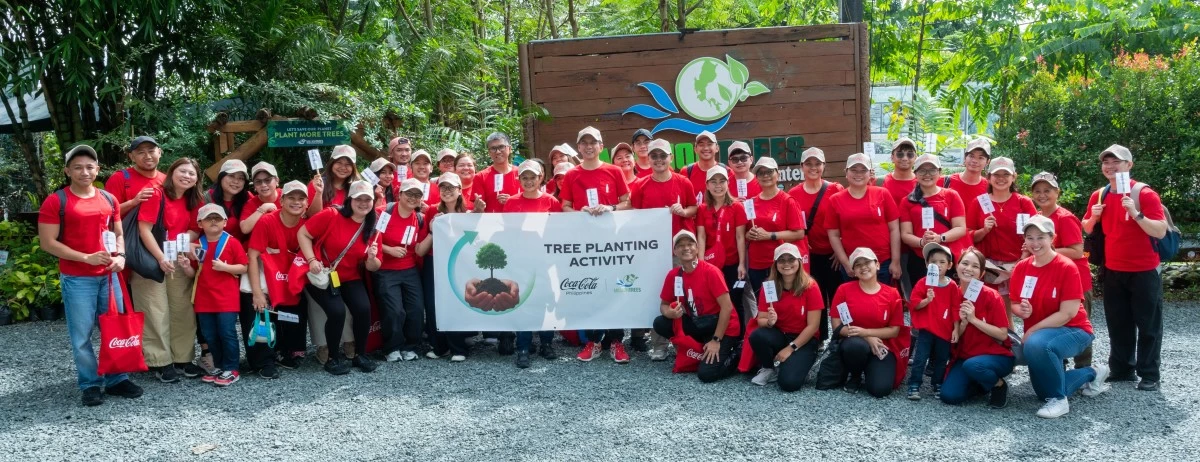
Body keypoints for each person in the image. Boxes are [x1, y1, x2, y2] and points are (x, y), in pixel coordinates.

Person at [39, 144, 143, 406]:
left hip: (109, 276)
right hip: (77, 278)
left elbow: (119, 234)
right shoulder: (57, 201)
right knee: (82, 334)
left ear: (97, 169)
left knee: (114, 328)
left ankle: (117, 378)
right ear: (67, 171)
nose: (84, 172)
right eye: (77, 167)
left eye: (89, 166)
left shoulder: (108, 199)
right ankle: (90, 383)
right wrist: (85, 257)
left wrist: (120, 256)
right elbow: (48, 242)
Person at [1082, 144, 1169, 391]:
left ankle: (1150, 374)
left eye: (1116, 162)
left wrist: (1136, 213)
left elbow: (1160, 231)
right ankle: (1122, 369)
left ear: (1129, 165)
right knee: (1118, 322)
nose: (1110, 167)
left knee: (1149, 324)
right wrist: (1095, 217)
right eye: (1106, 163)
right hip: (1112, 269)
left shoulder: (1144, 193)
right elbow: (1087, 228)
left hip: (1144, 270)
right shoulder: (1099, 194)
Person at [1010, 215, 1109, 418]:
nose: (1035, 243)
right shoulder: (1022, 267)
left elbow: (1068, 313)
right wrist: (1022, 311)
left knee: (1037, 344)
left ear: (1052, 238)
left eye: (1040, 237)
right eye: (1030, 237)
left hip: (1074, 329)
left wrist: (1032, 329)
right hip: (1039, 334)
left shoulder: (1066, 267)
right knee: (1041, 393)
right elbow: (1014, 303)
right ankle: (1093, 372)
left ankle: (1059, 400)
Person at [560, 126, 632, 363]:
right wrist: (578, 212)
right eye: (584, 143)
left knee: (614, 290)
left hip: (611, 245)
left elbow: (626, 203)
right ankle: (593, 340)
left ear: (601, 146)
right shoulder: (572, 175)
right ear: (579, 147)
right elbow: (565, 206)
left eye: (594, 142)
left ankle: (616, 341)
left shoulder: (614, 171)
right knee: (589, 290)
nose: (589, 146)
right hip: (584, 246)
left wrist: (610, 208)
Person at [132, 157, 205, 383]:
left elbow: (195, 229)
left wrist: (180, 246)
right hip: (150, 258)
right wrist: (161, 256)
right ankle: (160, 361)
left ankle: (182, 358)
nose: (187, 176)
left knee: (182, 308)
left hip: (178, 258)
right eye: (182, 171)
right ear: (172, 172)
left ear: (196, 180)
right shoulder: (156, 194)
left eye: (191, 174)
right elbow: (144, 229)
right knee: (155, 309)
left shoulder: (195, 201)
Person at [298, 180, 380, 375]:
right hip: (322, 274)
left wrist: (372, 258)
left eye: (367, 199)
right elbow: (303, 233)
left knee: (363, 308)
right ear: (349, 199)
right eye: (358, 198)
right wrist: (311, 260)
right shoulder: (331, 215)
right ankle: (333, 357)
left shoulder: (373, 227)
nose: (363, 203)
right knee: (336, 311)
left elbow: (374, 266)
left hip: (350, 276)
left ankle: (360, 354)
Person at [653, 230, 741, 382]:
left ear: (698, 247)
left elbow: (727, 308)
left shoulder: (711, 272)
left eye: (690, 244)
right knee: (660, 322)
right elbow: (664, 305)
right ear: (675, 251)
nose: (686, 248)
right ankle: (696, 349)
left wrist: (716, 340)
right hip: (698, 322)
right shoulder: (674, 275)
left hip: (722, 326)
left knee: (706, 374)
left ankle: (738, 353)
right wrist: (670, 313)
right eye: (680, 245)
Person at [502, 160, 563, 367]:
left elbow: (558, 233)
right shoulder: (511, 202)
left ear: (540, 178)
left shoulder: (551, 202)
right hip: (520, 263)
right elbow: (507, 233)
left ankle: (547, 343)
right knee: (523, 303)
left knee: (546, 302)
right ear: (519, 179)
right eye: (524, 177)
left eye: (533, 177)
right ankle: (524, 346)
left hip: (545, 262)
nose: (529, 181)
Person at [1031, 171, 1094, 369]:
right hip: (1051, 281)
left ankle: (1085, 369)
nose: (1042, 195)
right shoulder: (1037, 218)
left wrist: (1045, 250)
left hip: (1076, 281)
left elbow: (1077, 251)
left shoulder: (1065, 218)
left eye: (1047, 190)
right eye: (1038, 191)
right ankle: (1058, 364)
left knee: (1077, 324)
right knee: (1055, 322)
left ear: (1057, 192)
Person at [180, 203, 247, 387]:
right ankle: (218, 366)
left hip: (226, 298)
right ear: (200, 223)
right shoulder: (197, 245)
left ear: (225, 222)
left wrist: (226, 268)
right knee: (209, 334)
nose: (213, 221)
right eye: (208, 219)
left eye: (217, 218)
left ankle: (232, 368)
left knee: (227, 332)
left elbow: (244, 267)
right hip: (204, 298)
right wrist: (186, 266)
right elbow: (194, 274)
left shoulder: (232, 242)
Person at [940, 247, 1014, 408]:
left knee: (973, 366)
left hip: (995, 356)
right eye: (965, 263)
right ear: (956, 266)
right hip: (965, 356)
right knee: (949, 396)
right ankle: (982, 385)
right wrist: (964, 324)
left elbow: (1002, 335)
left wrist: (974, 320)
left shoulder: (991, 296)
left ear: (981, 274)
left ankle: (998, 385)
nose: (968, 269)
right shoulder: (951, 294)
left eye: (975, 266)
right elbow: (952, 337)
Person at [248, 181, 311, 370]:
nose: (296, 202)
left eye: (301, 199)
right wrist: (257, 293)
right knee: (270, 310)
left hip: (292, 277)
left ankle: (294, 349)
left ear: (307, 203)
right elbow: (252, 256)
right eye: (291, 197)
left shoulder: (306, 225)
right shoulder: (267, 221)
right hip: (268, 276)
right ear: (281, 200)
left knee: (297, 307)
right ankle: (272, 352)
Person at [785, 147, 844, 341]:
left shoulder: (835, 190)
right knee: (814, 297)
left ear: (824, 166)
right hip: (808, 257)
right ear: (801, 167)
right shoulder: (793, 193)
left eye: (817, 164)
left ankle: (840, 336)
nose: (813, 168)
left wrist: (840, 249)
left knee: (837, 296)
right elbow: (791, 224)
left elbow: (846, 220)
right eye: (808, 164)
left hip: (833, 255)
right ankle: (819, 337)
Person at [829, 247, 905, 398]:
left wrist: (867, 333)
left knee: (880, 390)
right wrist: (865, 337)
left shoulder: (892, 293)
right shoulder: (844, 290)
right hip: (854, 343)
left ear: (877, 265)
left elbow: (894, 330)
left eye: (867, 262)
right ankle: (855, 375)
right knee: (855, 346)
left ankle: (870, 369)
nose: (863, 267)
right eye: (858, 265)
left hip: (882, 345)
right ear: (853, 271)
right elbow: (837, 325)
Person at [748, 243, 823, 391]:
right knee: (758, 335)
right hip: (780, 334)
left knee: (789, 384)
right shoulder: (769, 286)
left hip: (804, 339)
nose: (786, 264)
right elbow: (760, 319)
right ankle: (769, 368)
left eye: (791, 259)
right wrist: (769, 322)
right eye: (781, 260)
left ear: (799, 262)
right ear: (775, 264)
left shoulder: (810, 287)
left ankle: (803, 362)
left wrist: (790, 348)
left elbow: (813, 326)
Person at [373, 178, 429, 363]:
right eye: (409, 194)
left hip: (410, 269)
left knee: (415, 309)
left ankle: (411, 345)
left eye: (417, 195)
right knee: (394, 310)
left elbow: (419, 246)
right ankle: (392, 347)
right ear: (400, 194)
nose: (413, 198)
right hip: (386, 269)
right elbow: (371, 241)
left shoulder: (419, 218)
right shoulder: (384, 213)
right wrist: (389, 250)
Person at [695, 166, 748, 360]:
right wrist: (700, 263)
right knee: (713, 302)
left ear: (728, 183)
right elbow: (700, 237)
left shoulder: (737, 207)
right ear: (707, 185)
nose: (718, 186)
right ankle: (716, 336)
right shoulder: (702, 208)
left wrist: (742, 264)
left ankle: (738, 339)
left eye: (722, 181)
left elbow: (740, 237)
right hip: (710, 265)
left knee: (735, 300)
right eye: (714, 182)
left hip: (732, 262)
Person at [826, 153, 902, 284]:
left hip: (882, 262)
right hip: (854, 263)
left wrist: (895, 261)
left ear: (870, 173)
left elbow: (894, 229)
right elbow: (833, 235)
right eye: (854, 170)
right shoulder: (835, 200)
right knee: (856, 302)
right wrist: (845, 263)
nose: (858, 174)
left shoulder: (882, 193)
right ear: (846, 172)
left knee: (883, 302)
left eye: (863, 170)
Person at [966, 156, 1037, 295]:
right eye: (996, 175)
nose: (1001, 178)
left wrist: (1022, 259)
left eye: (1006, 174)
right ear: (988, 177)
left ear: (1014, 177)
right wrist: (983, 230)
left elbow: (1037, 234)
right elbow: (968, 235)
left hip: (1018, 264)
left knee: (1018, 307)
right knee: (988, 308)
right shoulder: (979, 202)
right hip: (988, 267)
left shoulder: (1023, 202)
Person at [422, 172, 473, 362]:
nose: (447, 191)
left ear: (460, 190)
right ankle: (439, 346)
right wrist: (434, 229)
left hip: (458, 262)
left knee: (457, 301)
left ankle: (458, 347)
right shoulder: (431, 211)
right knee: (433, 303)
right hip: (433, 261)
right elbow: (422, 245)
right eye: (443, 187)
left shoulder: (468, 213)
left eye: (451, 187)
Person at [899, 154, 968, 284]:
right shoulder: (908, 201)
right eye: (922, 170)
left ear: (939, 172)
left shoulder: (951, 195)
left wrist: (940, 238)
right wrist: (922, 242)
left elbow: (960, 228)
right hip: (920, 259)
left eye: (932, 170)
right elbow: (905, 234)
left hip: (946, 258)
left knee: (947, 296)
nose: (927, 174)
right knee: (923, 297)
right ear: (915, 173)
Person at [744, 156, 805, 294]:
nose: (765, 176)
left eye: (769, 172)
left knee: (781, 305)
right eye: (761, 173)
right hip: (757, 264)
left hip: (781, 264)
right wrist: (749, 234)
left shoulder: (788, 201)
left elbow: (799, 233)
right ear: (756, 177)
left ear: (777, 174)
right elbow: (745, 232)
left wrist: (769, 235)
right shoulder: (750, 203)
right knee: (763, 306)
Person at [906, 243, 959, 400]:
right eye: (933, 262)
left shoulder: (953, 286)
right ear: (927, 264)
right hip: (926, 329)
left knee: (942, 359)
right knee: (920, 358)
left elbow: (956, 308)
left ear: (949, 265)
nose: (937, 265)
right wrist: (927, 300)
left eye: (942, 262)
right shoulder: (923, 282)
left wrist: (956, 328)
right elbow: (914, 303)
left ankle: (937, 383)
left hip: (944, 330)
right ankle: (914, 384)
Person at [631, 138, 697, 236]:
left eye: (663, 156)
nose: (659, 160)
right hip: (653, 241)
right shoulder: (639, 185)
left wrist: (684, 212)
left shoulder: (684, 182)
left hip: (681, 243)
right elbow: (635, 215)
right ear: (648, 159)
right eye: (654, 156)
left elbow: (694, 207)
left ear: (671, 158)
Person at [105, 136, 166, 215]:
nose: (148, 156)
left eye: (151, 151)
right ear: (132, 157)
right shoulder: (119, 178)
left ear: (159, 153)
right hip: (127, 227)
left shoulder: (166, 180)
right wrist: (133, 202)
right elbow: (106, 212)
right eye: (141, 152)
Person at [307, 145, 361, 215]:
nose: (343, 167)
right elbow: (312, 216)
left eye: (348, 164)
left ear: (353, 168)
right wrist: (319, 193)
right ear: (332, 163)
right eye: (339, 162)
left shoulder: (356, 189)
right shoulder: (317, 184)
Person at [679, 131, 733, 197]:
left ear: (717, 148)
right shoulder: (686, 172)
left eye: (709, 144)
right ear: (695, 149)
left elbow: (732, 200)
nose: (706, 148)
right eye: (701, 145)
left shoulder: (727, 171)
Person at [239, 162, 281, 236]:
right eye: (258, 182)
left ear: (277, 180)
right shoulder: (251, 203)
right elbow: (244, 229)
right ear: (254, 185)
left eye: (267, 180)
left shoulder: (287, 194)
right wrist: (263, 208)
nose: (263, 185)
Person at [943, 138, 991, 202]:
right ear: (965, 158)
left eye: (980, 158)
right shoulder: (945, 182)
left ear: (987, 162)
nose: (974, 161)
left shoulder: (989, 187)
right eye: (971, 156)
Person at [882, 137, 919, 210]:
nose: (905, 158)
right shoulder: (880, 182)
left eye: (910, 154)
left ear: (915, 158)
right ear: (892, 158)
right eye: (900, 154)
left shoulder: (923, 183)